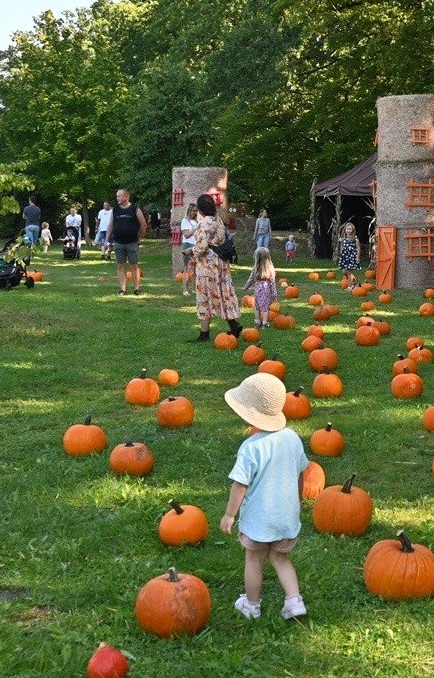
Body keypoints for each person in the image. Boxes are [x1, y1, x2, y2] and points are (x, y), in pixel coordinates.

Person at [220, 372, 309, 621]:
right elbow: (301, 473)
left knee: (254, 560)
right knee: (280, 558)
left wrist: (229, 514)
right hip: (286, 517)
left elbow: (240, 486)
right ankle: (294, 601)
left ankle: (251, 604)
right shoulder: (292, 438)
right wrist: (297, 501)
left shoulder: (251, 447)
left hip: (259, 521)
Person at [190, 193, 243, 342]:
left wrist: (191, 251)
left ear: (200, 209)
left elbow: (201, 246)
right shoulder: (218, 220)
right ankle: (233, 324)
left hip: (208, 265)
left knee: (204, 296)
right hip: (221, 264)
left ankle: (204, 334)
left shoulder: (205, 223)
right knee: (222, 293)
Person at [106, 188, 148, 296]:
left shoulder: (135, 209)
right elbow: (111, 225)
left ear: (126, 197)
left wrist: (139, 238)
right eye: (117, 196)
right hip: (118, 243)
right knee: (121, 266)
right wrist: (106, 240)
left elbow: (143, 225)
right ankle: (122, 289)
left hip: (132, 243)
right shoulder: (115, 210)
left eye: (119, 196)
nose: (117, 198)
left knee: (134, 266)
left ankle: (137, 288)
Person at [243, 247, 277, 327]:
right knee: (265, 308)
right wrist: (274, 292)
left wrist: (246, 287)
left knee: (257, 307)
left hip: (257, 292)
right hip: (266, 292)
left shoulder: (255, 268)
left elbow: (250, 279)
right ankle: (264, 323)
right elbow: (272, 282)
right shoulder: (270, 268)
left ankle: (257, 322)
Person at [179, 204, 198, 296]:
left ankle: (194, 289)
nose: (194, 213)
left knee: (195, 268)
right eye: (193, 211)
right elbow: (186, 234)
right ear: (189, 211)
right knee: (187, 267)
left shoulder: (196, 221)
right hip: (187, 244)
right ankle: (185, 289)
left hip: (195, 245)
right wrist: (195, 229)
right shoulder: (185, 221)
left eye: (196, 211)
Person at [338, 222, 360, 288]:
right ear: (345, 230)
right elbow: (342, 246)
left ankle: (350, 287)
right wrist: (341, 253)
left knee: (349, 272)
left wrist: (357, 257)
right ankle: (354, 281)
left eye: (350, 229)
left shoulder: (355, 238)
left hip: (352, 256)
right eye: (347, 229)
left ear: (353, 230)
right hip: (345, 256)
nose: (348, 230)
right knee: (344, 271)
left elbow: (358, 247)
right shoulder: (344, 238)